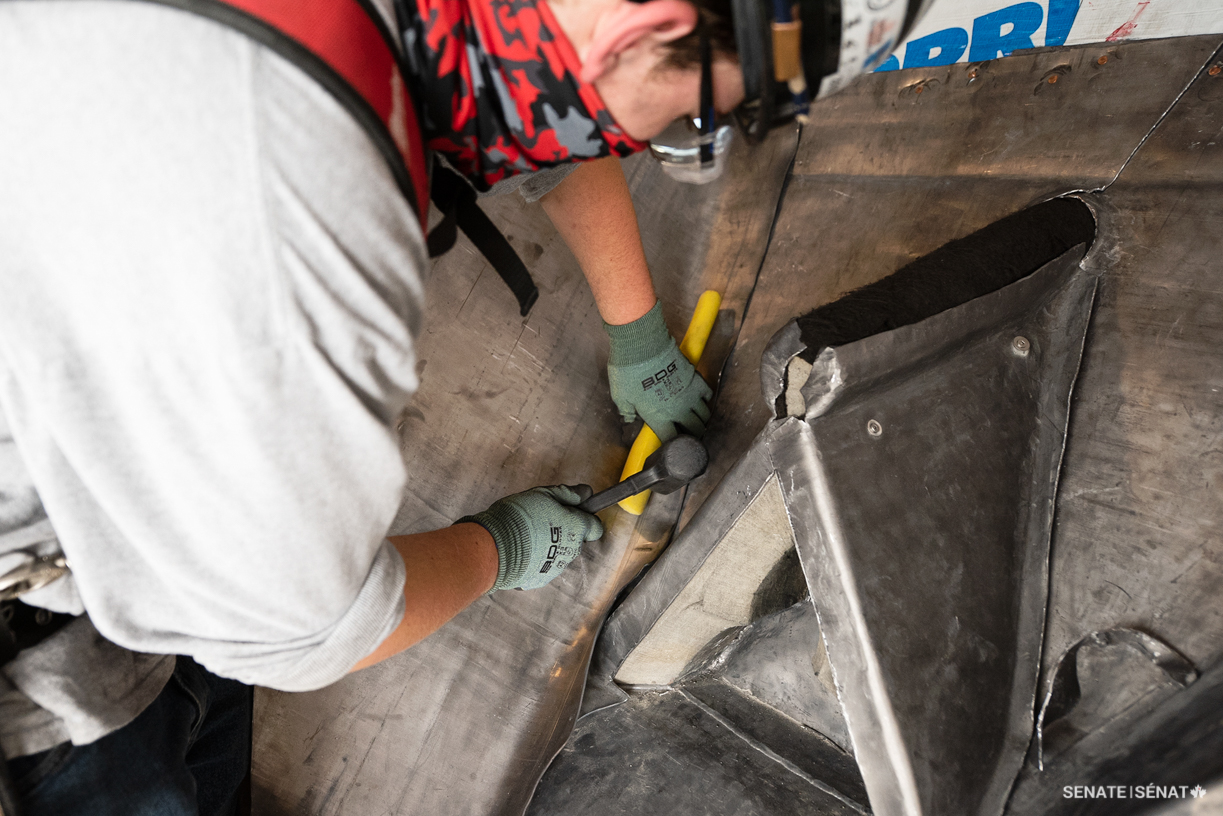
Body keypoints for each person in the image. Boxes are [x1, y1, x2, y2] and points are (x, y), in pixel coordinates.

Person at [0, 0, 913, 811]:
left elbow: (552, 116)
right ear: (642, 33)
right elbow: (299, 638)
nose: (667, 135)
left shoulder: (468, 31)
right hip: (45, 660)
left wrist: (637, 332)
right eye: (687, 122)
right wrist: (497, 549)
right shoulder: (282, 235)